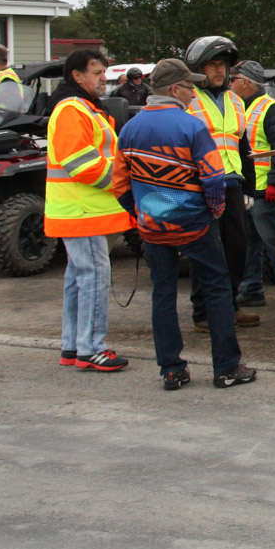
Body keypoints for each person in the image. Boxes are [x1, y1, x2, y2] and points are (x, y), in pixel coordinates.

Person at [113, 59, 255, 390]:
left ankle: (172, 370)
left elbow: (119, 183)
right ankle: (226, 367)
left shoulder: (130, 128)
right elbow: (213, 176)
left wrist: (139, 213)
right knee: (218, 289)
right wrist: (216, 211)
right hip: (195, 224)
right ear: (175, 90)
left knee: (163, 293)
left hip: (152, 226)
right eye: (190, 87)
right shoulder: (192, 126)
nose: (194, 93)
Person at [46, 48, 133, 372]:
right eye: (96, 73)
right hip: (82, 211)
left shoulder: (83, 108)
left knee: (79, 278)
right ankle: (91, 348)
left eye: (104, 72)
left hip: (79, 210)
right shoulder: (73, 109)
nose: (103, 79)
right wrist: (122, 183)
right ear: (77, 76)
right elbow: (80, 163)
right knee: (94, 275)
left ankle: (74, 346)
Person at [183, 36, 258, 329]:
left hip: (232, 185)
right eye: (212, 65)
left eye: (222, 65)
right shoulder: (190, 100)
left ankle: (230, 303)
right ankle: (203, 312)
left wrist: (249, 188)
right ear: (198, 68)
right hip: (201, 186)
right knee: (205, 249)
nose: (218, 71)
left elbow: (243, 147)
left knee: (236, 247)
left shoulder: (236, 101)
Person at [230, 61, 275, 308]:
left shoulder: (271, 109)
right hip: (247, 189)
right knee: (248, 243)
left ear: (246, 82)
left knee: (273, 241)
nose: (229, 83)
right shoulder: (239, 108)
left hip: (264, 191)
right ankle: (252, 289)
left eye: (233, 79)